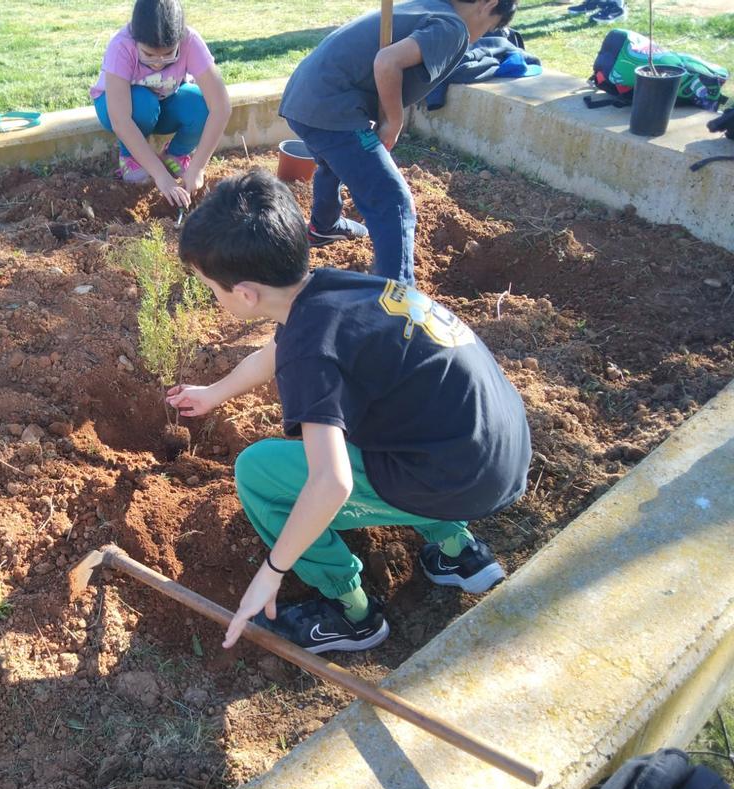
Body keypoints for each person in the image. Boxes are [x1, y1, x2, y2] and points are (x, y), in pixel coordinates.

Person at [167, 170, 530, 652]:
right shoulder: (335, 290)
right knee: (370, 414)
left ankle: (352, 615)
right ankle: (457, 552)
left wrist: (271, 571)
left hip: (462, 479)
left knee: (258, 473)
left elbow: (332, 482)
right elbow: (279, 351)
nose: (214, 298)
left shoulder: (311, 351)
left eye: (212, 288)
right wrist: (214, 392)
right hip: (497, 443)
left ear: (246, 294)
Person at [278, 0, 517, 285]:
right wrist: (393, 120)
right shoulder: (454, 28)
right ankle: (397, 295)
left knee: (335, 162)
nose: (481, 36)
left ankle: (324, 226)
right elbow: (387, 61)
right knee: (394, 200)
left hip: (303, 98)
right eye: (489, 27)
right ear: (488, 4)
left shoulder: (428, 6)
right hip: (332, 108)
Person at [90, 0, 231, 209]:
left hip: (163, 103)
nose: (158, 63)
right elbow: (121, 120)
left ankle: (176, 153)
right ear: (135, 39)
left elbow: (221, 107)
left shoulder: (190, 41)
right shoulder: (121, 46)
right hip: (120, 108)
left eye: (168, 54)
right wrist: (161, 176)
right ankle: (129, 157)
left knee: (199, 103)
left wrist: (198, 168)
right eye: (148, 55)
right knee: (143, 103)